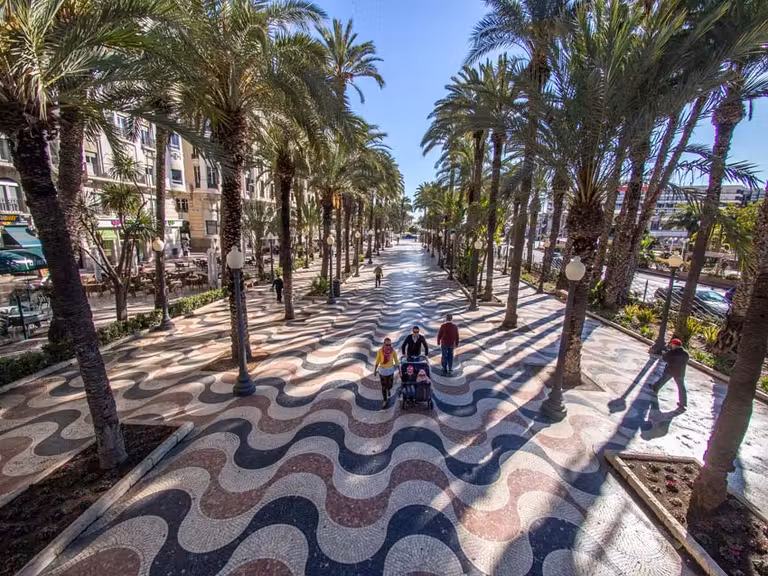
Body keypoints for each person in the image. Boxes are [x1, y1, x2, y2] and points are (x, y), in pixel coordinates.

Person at [651, 338, 689, 411]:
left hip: (670, 371)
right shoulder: (685, 354)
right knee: (681, 387)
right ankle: (683, 403)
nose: (671, 345)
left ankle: (655, 388)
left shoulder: (672, 352)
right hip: (680, 372)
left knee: (663, 380)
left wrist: (665, 353)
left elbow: (665, 358)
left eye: (672, 344)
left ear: (674, 345)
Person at [374, 337, 398, 409]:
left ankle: (389, 389)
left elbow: (396, 360)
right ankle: (385, 400)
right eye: (387, 345)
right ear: (384, 344)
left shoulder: (393, 351)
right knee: (383, 386)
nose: (388, 346)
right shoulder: (380, 351)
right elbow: (377, 361)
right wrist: (375, 370)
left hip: (390, 371)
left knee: (390, 385)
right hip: (382, 371)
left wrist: (400, 369)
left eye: (389, 345)